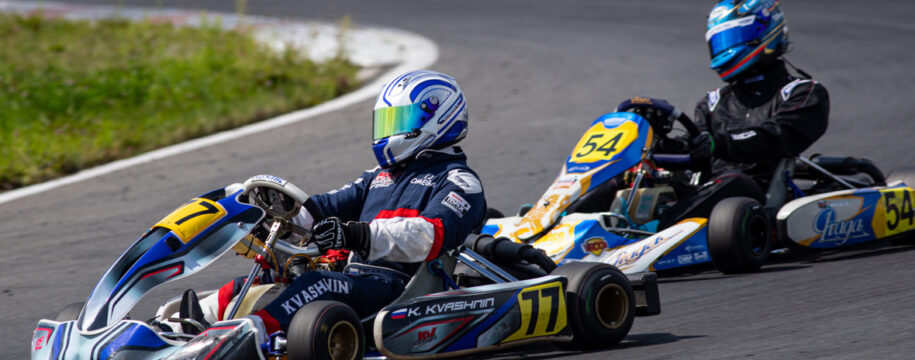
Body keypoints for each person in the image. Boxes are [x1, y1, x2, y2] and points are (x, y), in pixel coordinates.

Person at [193, 70, 486, 335]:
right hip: (351, 278)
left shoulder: (459, 181)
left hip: (397, 289)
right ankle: (181, 326)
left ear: (437, 117)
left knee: (317, 283)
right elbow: (317, 211)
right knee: (263, 278)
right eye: (386, 122)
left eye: (398, 121)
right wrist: (265, 217)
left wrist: (356, 234)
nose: (387, 131)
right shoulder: (379, 178)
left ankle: (247, 337)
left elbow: (430, 235)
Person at [616, 0, 829, 228]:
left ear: (765, 33)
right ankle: (578, 228)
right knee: (620, 180)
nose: (724, 48)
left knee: (734, 182)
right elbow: (696, 151)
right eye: (718, 41)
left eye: (731, 38)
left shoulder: (802, 92)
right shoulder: (712, 103)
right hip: (707, 192)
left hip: (758, 195)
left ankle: (654, 236)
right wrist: (657, 141)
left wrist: (719, 144)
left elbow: (778, 136)